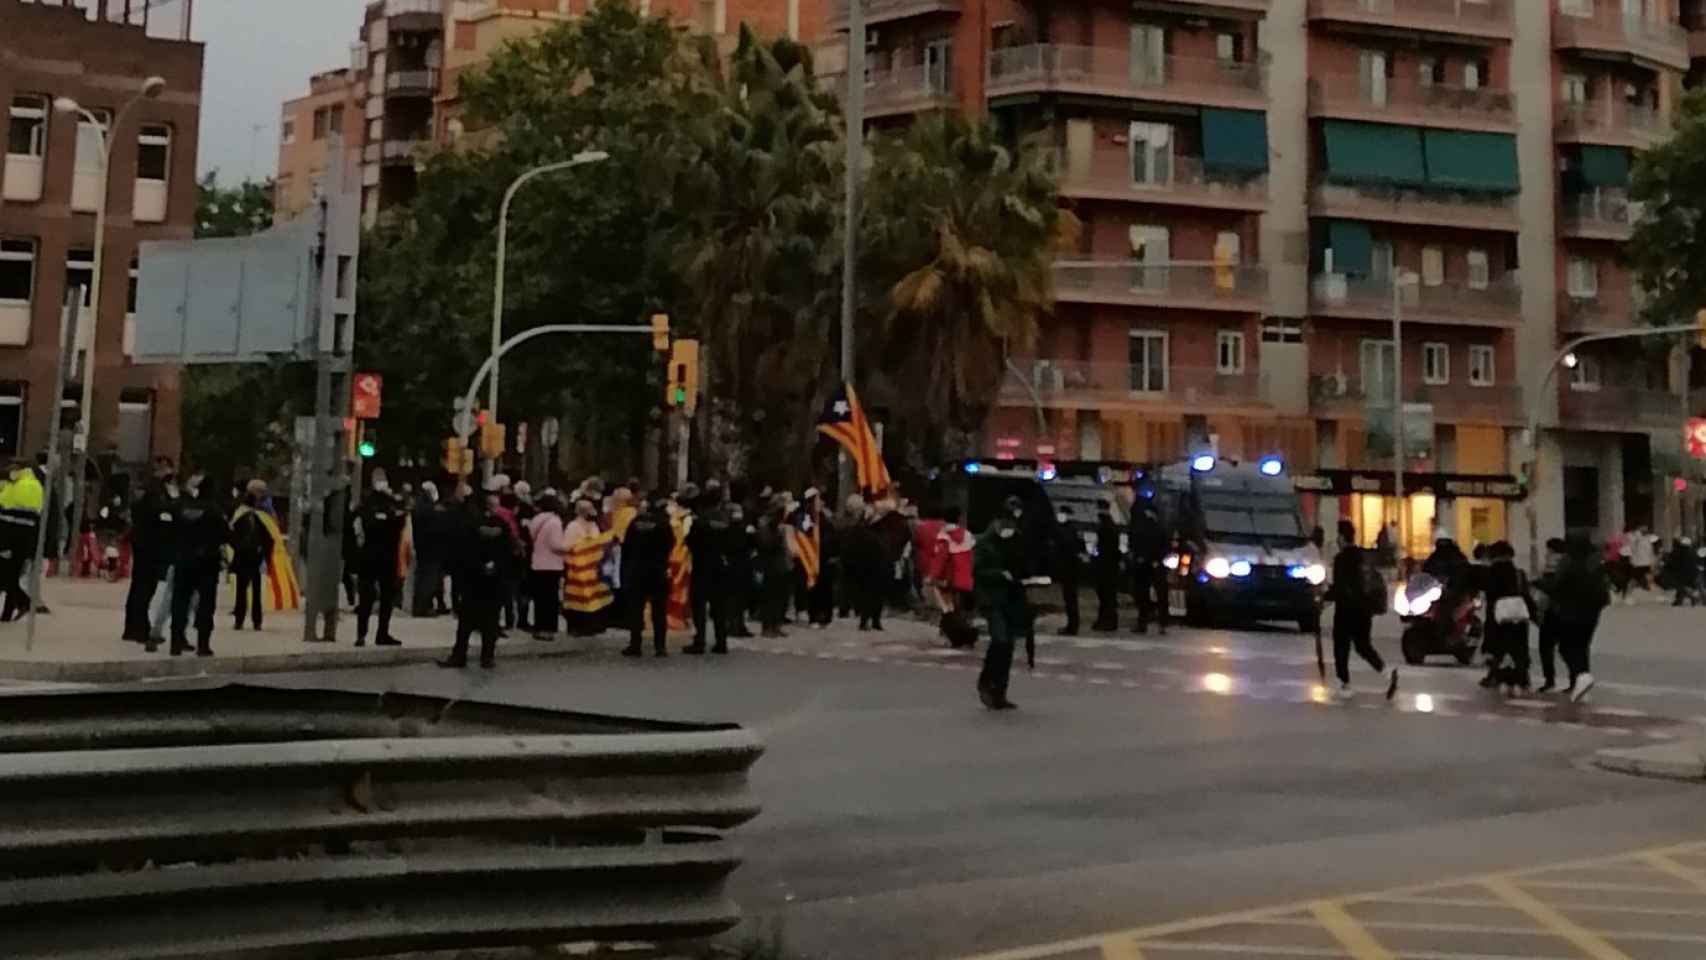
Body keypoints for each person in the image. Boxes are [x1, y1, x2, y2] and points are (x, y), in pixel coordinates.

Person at [438, 488, 511, 670]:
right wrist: (496, 567)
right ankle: (487, 657)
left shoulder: (470, 524)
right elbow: (508, 552)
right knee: (491, 622)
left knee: (466, 622)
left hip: (473, 581)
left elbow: (463, 551)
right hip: (494, 581)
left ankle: (459, 655)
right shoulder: (503, 525)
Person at [1325, 520, 1398, 700]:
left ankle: (1345, 684)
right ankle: (1387, 673)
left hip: (1346, 610)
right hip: (1364, 609)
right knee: (1363, 646)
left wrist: (1324, 596)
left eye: (1338, 537)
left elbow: (1340, 587)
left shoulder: (1341, 559)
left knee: (1341, 646)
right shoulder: (1362, 556)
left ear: (1342, 537)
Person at [167, 469, 225, 657]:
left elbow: (172, 530)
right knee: (205, 605)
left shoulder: (181, 508)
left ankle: (175, 642)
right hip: (207, 563)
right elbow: (226, 535)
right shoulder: (214, 511)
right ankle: (203, 644)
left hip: (183, 560)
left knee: (180, 601)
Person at [1546, 534, 1610, 701]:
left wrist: (1540, 584)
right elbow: (1604, 593)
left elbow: (1557, 586)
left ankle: (1581, 676)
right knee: (1582, 646)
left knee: (1566, 647)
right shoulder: (1596, 563)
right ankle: (1581, 683)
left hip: (1571, 612)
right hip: (1591, 613)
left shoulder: (1570, 563)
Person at [974, 513, 1026, 710]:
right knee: (1000, 639)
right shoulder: (985, 543)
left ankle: (1000, 691)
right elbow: (977, 570)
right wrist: (999, 575)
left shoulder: (1016, 541)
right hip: (991, 599)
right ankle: (986, 681)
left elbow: (1021, 564)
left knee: (1008, 645)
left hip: (1011, 599)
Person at [124, 458, 177, 642]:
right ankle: (139, 628)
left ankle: (132, 627)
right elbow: (163, 514)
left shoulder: (145, 489)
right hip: (151, 544)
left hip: (143, 542)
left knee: (139, 585)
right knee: (145, 586)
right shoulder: (155, 492)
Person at [351, 471, 406, 647]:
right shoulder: (372, 504)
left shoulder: (382, 503)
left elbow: (398, 522)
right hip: (378, 556)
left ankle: (371, 634)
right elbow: (390, 523)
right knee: (374, 597)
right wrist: (387, 520)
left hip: (376, 556)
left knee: (379, 598)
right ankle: (369, 634)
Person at [621, 494, 674, 658]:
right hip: (657, 571)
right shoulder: (663, 524)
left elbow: (627, 547)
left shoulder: (635, 523)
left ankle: (635, 645)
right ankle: (660, 646)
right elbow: (670, 543)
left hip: (637, 570)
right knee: (659, 610)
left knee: (636, 609)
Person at [1482, 540, 1537, 696]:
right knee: (1519, 649)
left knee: (1500, 649)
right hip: (1518, 617)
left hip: (1499, 617)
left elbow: (1490, 598)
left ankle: (1501, 678)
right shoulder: (1519, 574)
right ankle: (1522, 680)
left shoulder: (1490, 574)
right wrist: (1534, 615)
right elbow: (1526, 596)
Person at [684, 488, 733, 654]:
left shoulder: (700, 521)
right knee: (720, 606)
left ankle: (700, 641)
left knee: (699, 605)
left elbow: (690, 542)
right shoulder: (725, 520)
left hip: (702, 565)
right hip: (721, 565)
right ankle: (721, 641)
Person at [227, 480, 275, 631]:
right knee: (246, 590)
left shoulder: (260, 514)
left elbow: (269, 536)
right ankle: (245, 619)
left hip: (251, 556)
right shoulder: (244, 513)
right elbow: (232, 533)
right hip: (248, 555)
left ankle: (251, 620)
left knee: (250, 590)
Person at [0, 459, 43, 621]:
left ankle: (23, 602)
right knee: (11, 575)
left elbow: (8, 516)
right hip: (22, 539)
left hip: (12, 538)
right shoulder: (32, 485)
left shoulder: (19, 486)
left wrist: (4, 543)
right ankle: (9, 612)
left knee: (7, 576)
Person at [525, 494, 568, 641]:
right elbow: (556, 545)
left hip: (537, 563)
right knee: (550, 599)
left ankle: (538, 627)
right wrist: (568, 547)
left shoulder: (536, 520)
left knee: (540, 599)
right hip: (552, 564)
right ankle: (548, 629)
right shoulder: (555, 522)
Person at [754, 497, 793, 638]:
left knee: (780, 599)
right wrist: (778, 537)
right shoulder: (765, 524)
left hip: (781, 566)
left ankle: (777, 624)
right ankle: (767, 626)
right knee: (769, 599)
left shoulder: (779, 526)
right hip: (769, 566)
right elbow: (765, 544)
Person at [844, 505, 887, 631]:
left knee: (873, 595)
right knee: (870, 595)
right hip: (869, 566)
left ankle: (873, 620)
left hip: (874, 566)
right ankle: (868, 620)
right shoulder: (864, 532)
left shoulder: (875, 532)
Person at [1129, 500, 1168, 635]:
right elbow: (1165, 547)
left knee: (1142, 595)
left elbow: (1134, 544)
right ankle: (1162, 624)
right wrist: (1157, 560)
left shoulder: (1141, 526)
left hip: (1144, 565)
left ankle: (1143, 623)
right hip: (1155, 565)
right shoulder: (1161, 527)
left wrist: (1140, 558)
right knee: (1160, 595)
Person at [1534, 537, 1567, 693]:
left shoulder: (1553, 562)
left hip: (1552, 610)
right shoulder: (1568, 562)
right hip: (1566, 611)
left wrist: (1537, 583)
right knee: (1565, 647)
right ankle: (1575, 679)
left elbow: (1550, 585)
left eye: (1548, 549)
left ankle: (1550, 680)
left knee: (1546, 647)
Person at [723, 500, 755, 638]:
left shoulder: (745, 530)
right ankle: (731, 625)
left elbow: (751, 546)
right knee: (732, 599)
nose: (738, 514)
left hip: (743, 567)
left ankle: (739, 625)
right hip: (732, 568)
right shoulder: (727, 530)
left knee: (741, 599)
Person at [1051, 505, 1083, 635]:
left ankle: (1072, 626)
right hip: (1069, 568)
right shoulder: (1069, 529)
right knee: (1070, 598)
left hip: (1069, 568)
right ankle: (1072, 625)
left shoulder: (1068, 530)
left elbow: (1066, 548)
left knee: (1070, 598)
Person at [1091, 502, 1121, 632]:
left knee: (1106, 595)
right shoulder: (1109, 525)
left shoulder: (1106, 526)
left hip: (1106, 566)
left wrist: (1096, 556)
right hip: (1109, 566)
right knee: (1107, 595)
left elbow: (1106, 548)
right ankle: (1107, 620)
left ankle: (1107, 621)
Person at [1663, 536, 1699, 607]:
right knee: (1684, 586)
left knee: (1679, 585)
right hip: (1692, 573)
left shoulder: (1678, 551)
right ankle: (1681, 599)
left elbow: (1672, 563)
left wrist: (1667, 565)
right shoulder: (1693, 551)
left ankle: (1686, 598)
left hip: (1681, 573)